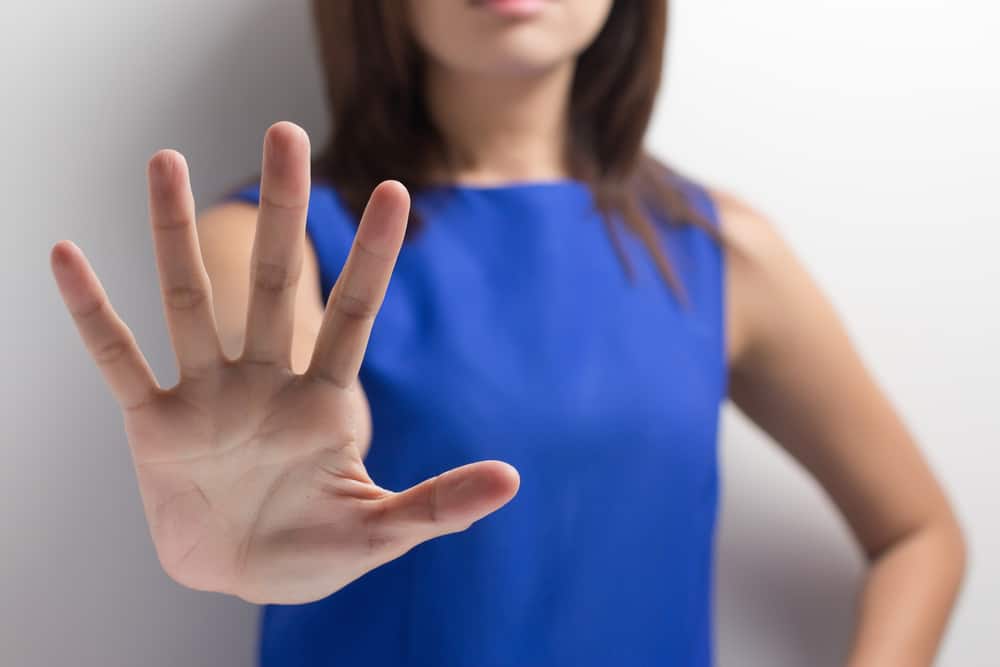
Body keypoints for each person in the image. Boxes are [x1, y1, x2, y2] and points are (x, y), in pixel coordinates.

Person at [49, 1, 966, 665]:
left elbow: (919, 533)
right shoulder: (268, 244)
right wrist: (274, 513)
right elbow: (310, 432)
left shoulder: (719, 250)